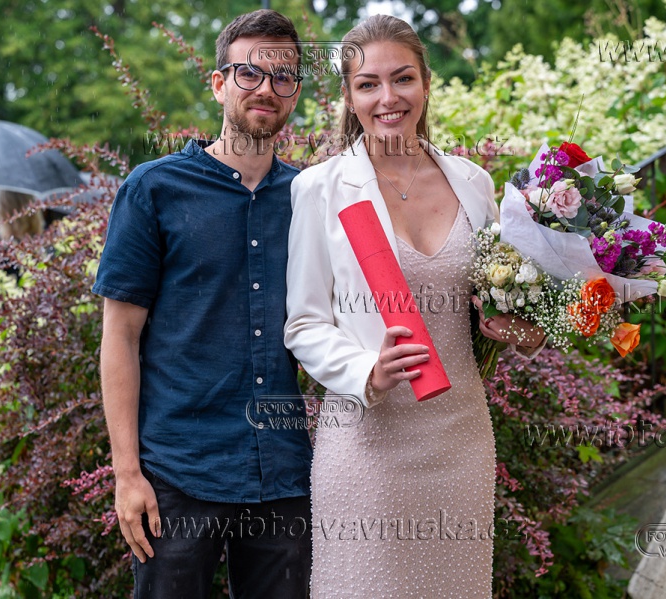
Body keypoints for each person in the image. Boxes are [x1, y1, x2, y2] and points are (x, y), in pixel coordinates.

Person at [284, 15, 547, 598]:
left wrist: (524, 328)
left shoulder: (474, 184)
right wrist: (365, 370)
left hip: (460, 438)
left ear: (426, 82)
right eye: (368, 84)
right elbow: (303, 322)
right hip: (367, 443)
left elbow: (502, 298)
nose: (388, 98)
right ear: (349, 97)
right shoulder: (320, 188)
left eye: (402, 78)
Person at [92, 10, 312, 598]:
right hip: (177, 472)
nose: (266, 88)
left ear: (294, 94)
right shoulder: (153, 189)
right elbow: (120, 337)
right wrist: (127, 473)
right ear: (218, 83)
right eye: (249, 73)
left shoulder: (309, 197)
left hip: (283, 472)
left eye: (283, 77)